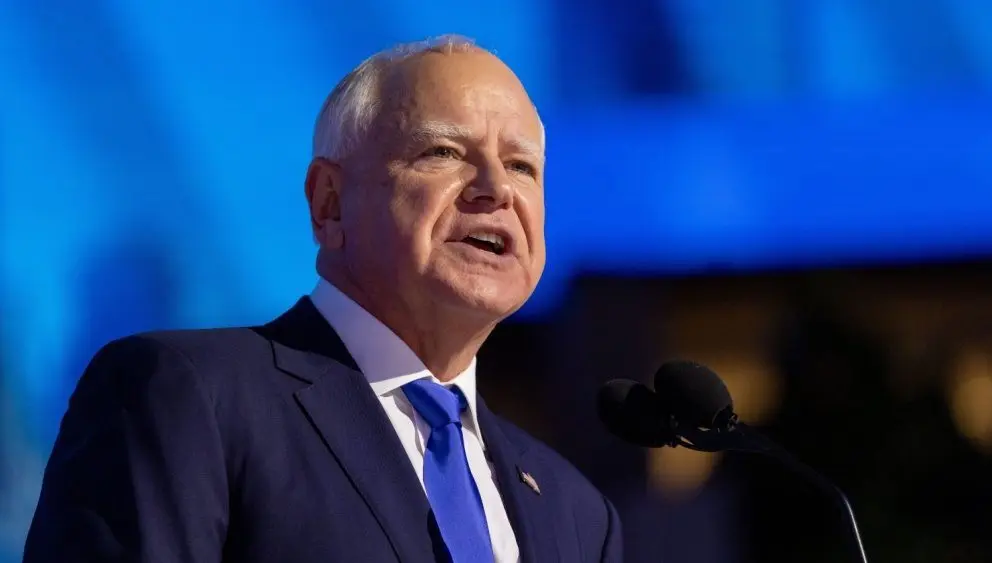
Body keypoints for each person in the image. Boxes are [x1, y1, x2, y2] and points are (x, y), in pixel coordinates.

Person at [23, 35, 622, 563]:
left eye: (522, 166)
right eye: (442, 152)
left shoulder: (577, 512)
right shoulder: (187, 397)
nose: (496, 189)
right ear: (329, 202)